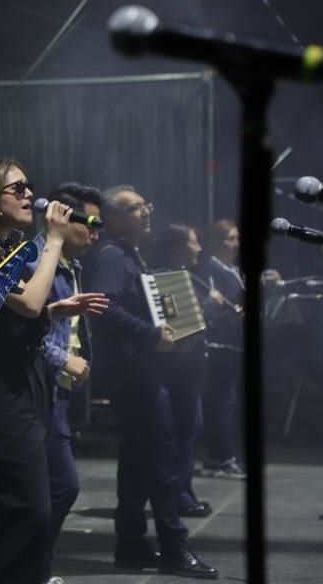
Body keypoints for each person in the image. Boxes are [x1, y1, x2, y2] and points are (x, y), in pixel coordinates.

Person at [0, 163, 106, 584]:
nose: (28, 195)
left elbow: (20, 314)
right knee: (31, 508)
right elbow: (30, 303)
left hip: (27, 382)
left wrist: (60, 309)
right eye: (16, 188)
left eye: (28, 187)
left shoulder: (9, 246)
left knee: (16, 506)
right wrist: (54, 238)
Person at [83, 185, 217, 579]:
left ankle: (131, 545)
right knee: (161, 460)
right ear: (113, 217)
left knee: (139, 463)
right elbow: (103, 308)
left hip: (138, 372)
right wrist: (151, 334)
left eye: (146, 207)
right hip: (133, 374)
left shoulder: (127, 256)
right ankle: (173, 547)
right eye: (135, 208)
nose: (145, 213)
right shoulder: (111, 256)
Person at [34, 182, 104, 583]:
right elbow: (22, 332)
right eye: (89, 224)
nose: (94, 234)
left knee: (36, 492)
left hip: (56, 391)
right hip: (37, 391)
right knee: (60, 487)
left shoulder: (73, 267)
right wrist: (65, 360)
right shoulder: (37, 261)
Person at [147, 224, 213, 518]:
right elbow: (183, 327)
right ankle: (179, 496)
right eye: (194, 243)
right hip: (175, 371)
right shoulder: (165, 277)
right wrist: (211, 306)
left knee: (190, 430)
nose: (199, 248)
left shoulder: (187, 276)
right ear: (178, 247)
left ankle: (184, 491)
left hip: (189, 371)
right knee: (181, 433)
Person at [196, 219, 246, 479]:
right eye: (229, 238)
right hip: (218, 343)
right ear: (215, 242)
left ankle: (225, 455)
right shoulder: (209, 269)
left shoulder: (233, 270)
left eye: (237, 238)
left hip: (233, 343)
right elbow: (207, 307)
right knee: (221, 402)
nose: (235, 244)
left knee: (229, 400)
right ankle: (220, 457)